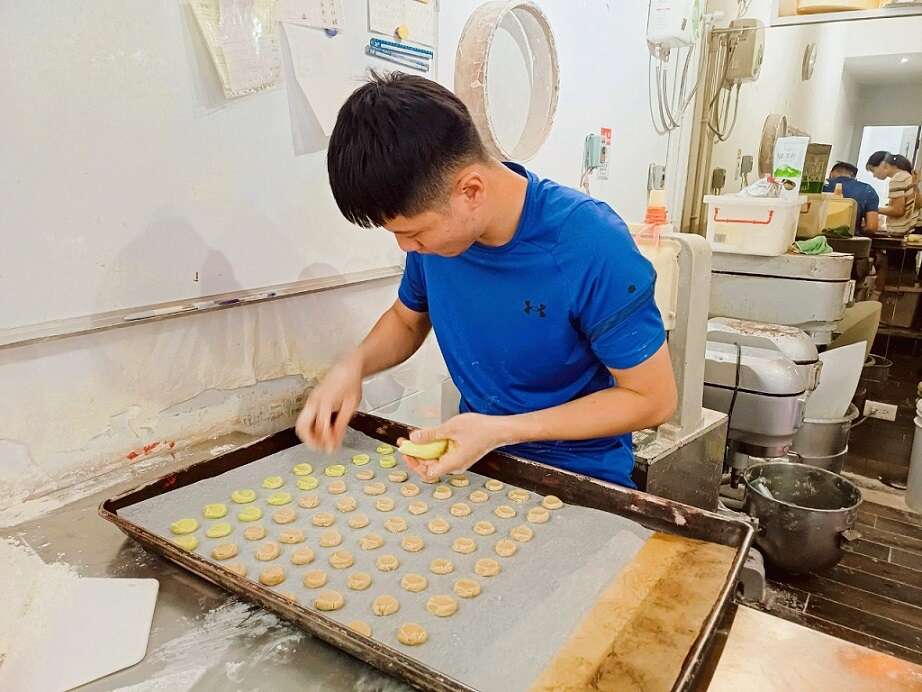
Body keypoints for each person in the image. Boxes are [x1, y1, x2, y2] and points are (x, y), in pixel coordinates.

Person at [295, 73, 677, 487]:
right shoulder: (437, 245)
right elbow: (407, 320)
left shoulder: (590, 244)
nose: (406, 247)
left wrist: (502, 430)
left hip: (581, 477)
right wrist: (353, 366)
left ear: (471, 191)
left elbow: (652, 399)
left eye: (413, 232)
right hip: (477, 465)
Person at [866, 151, 917, 236]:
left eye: (872, 170)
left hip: (906, 232)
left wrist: (871, 210)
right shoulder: (905, 176)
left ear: (883, 164)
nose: (874, 175)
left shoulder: (898, 179)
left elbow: (897, 210)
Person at [823, 161, 879, 234]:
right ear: (854, 177)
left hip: (818, 237)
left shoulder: (822, 185)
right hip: (851, 239)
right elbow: (871, 227)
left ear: (831, 173)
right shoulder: (867, 189)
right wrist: (856, 230)